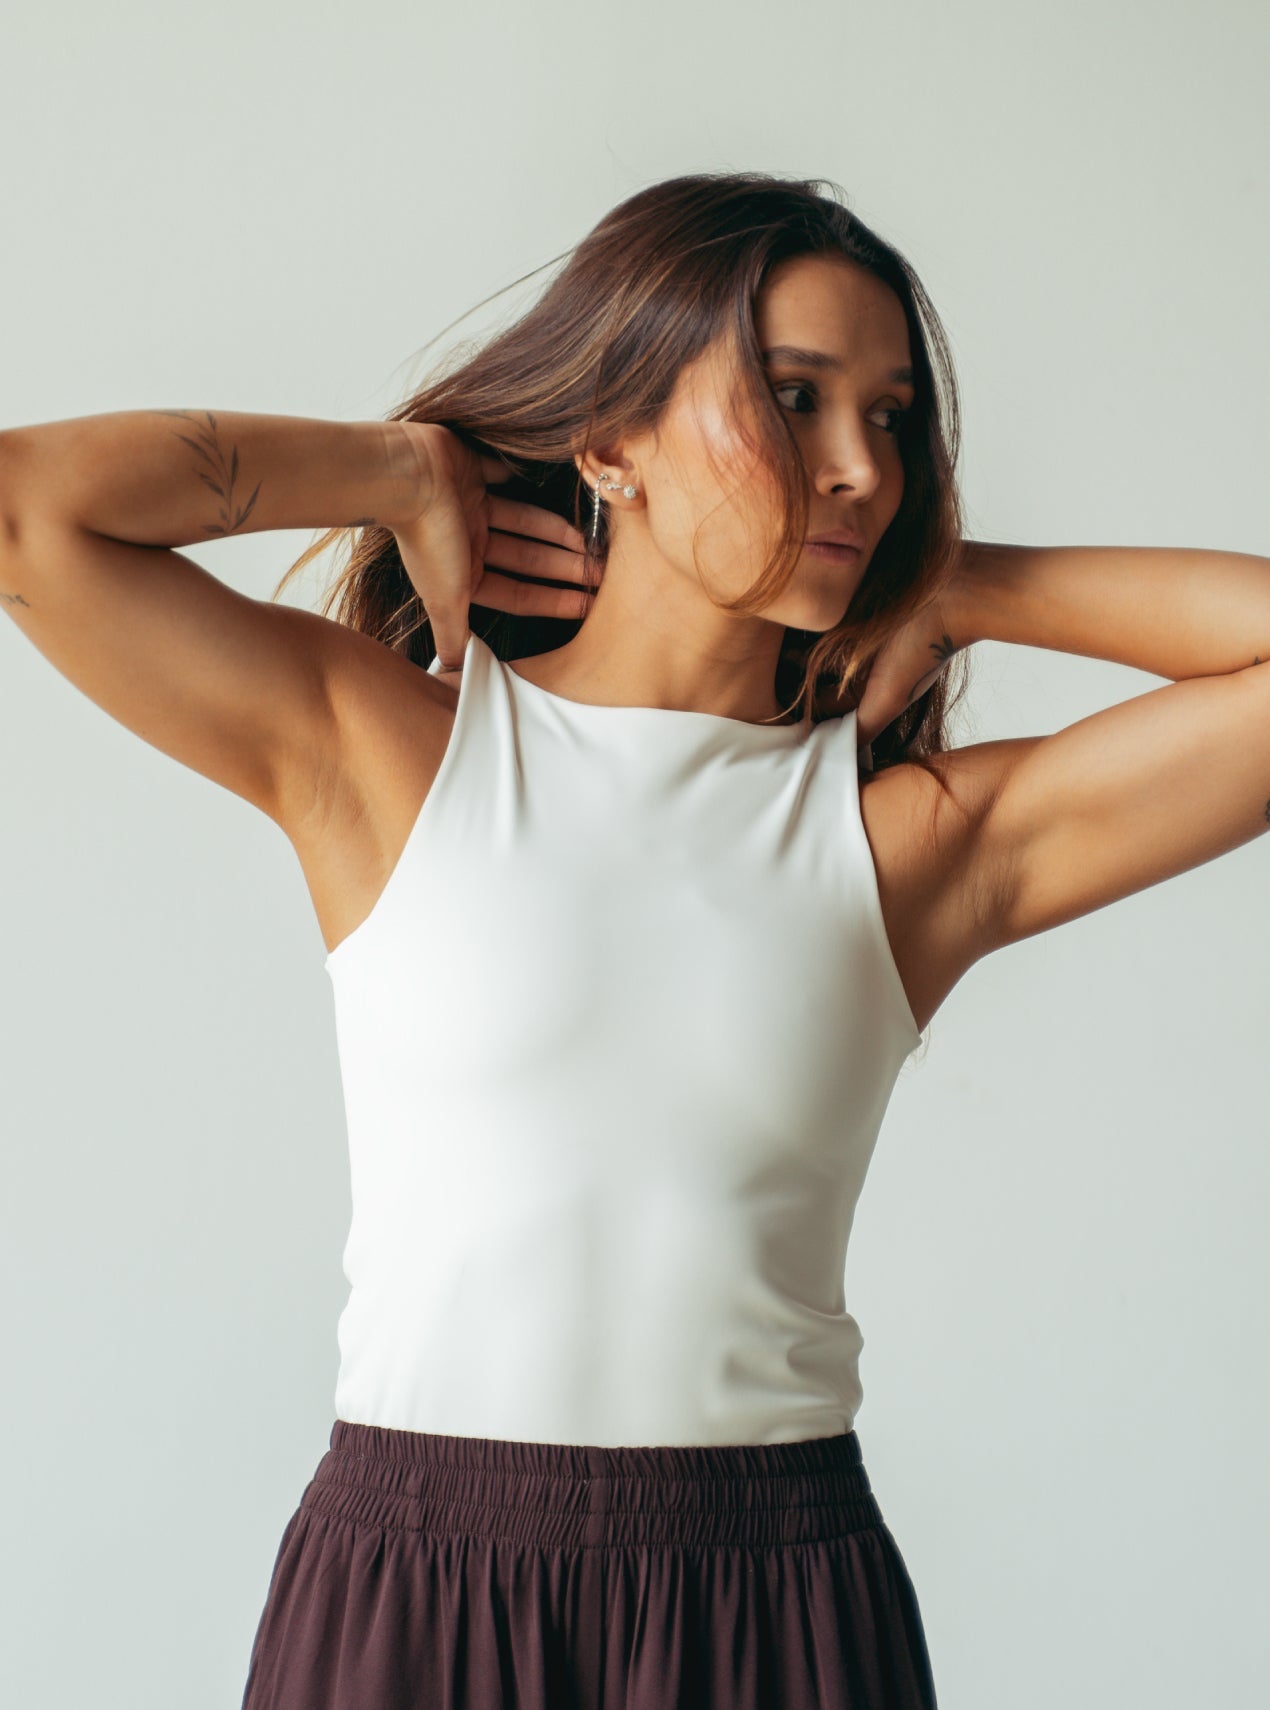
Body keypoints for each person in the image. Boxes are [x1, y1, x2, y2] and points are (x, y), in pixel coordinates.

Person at [3, 171, 1268, 1709]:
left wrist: (957, 583)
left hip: (772, 1603)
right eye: (792, 397)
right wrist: (397, 470)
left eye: (890, 418)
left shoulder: (902, 845)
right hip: (414, 1587)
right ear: (610, 441)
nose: (859, 467)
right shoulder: (395, 754)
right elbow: (28, 508)